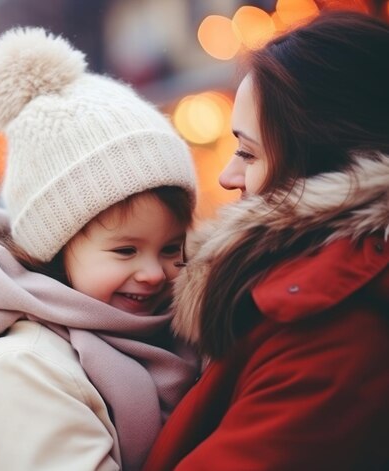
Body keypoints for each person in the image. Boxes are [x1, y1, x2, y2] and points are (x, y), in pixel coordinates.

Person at [0, 27, 199, 471]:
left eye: (172, 247)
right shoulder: (25, 367)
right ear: (55, 246)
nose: (154, 272)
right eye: (126, 251)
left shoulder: (181, 332)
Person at [143, 11, 389, 471]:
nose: (227, 174)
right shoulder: (298, 295)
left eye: (248, 151)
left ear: (322, 160)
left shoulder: (331, 328)